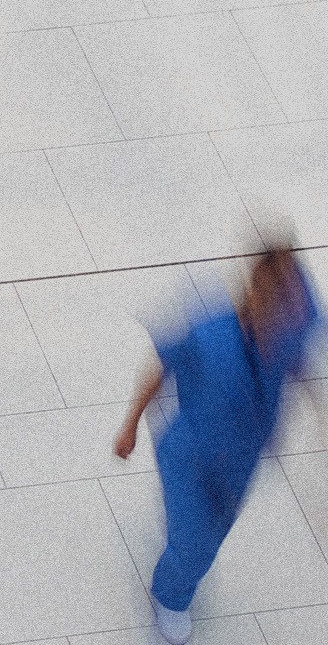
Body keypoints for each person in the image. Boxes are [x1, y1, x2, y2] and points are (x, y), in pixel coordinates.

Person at [114, 239, 320, 644]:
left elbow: (302, 361)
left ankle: (180, 553)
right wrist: (131, 424)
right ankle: (169, 597)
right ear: (255, 291)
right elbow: (161, 366)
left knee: (213, 529)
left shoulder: (296, 322)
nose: (287, 314)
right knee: (194, 545)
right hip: (189, 453)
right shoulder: (208, 327)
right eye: (279, 302)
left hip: (242, 458)